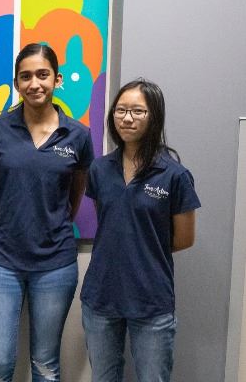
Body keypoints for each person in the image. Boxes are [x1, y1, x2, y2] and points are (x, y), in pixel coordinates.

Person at [0, 43, 93, 382]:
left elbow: (75, 196)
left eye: (42, 75)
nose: (34, 83)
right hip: (0, 262)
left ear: (56, 80)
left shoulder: (78, 135)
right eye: (25, 77)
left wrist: (50, 226)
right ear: (16, 82)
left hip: (55, 263)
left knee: (46, 364)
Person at [81, 79, 199, 382]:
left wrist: (141, 250)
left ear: (154, 117)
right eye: (121, 110)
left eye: (137, 111)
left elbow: (184, 239)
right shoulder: (100, 169)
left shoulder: (175, 175)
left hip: (151, 299)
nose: (127, 118)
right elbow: (110, 224)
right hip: (101, 296)